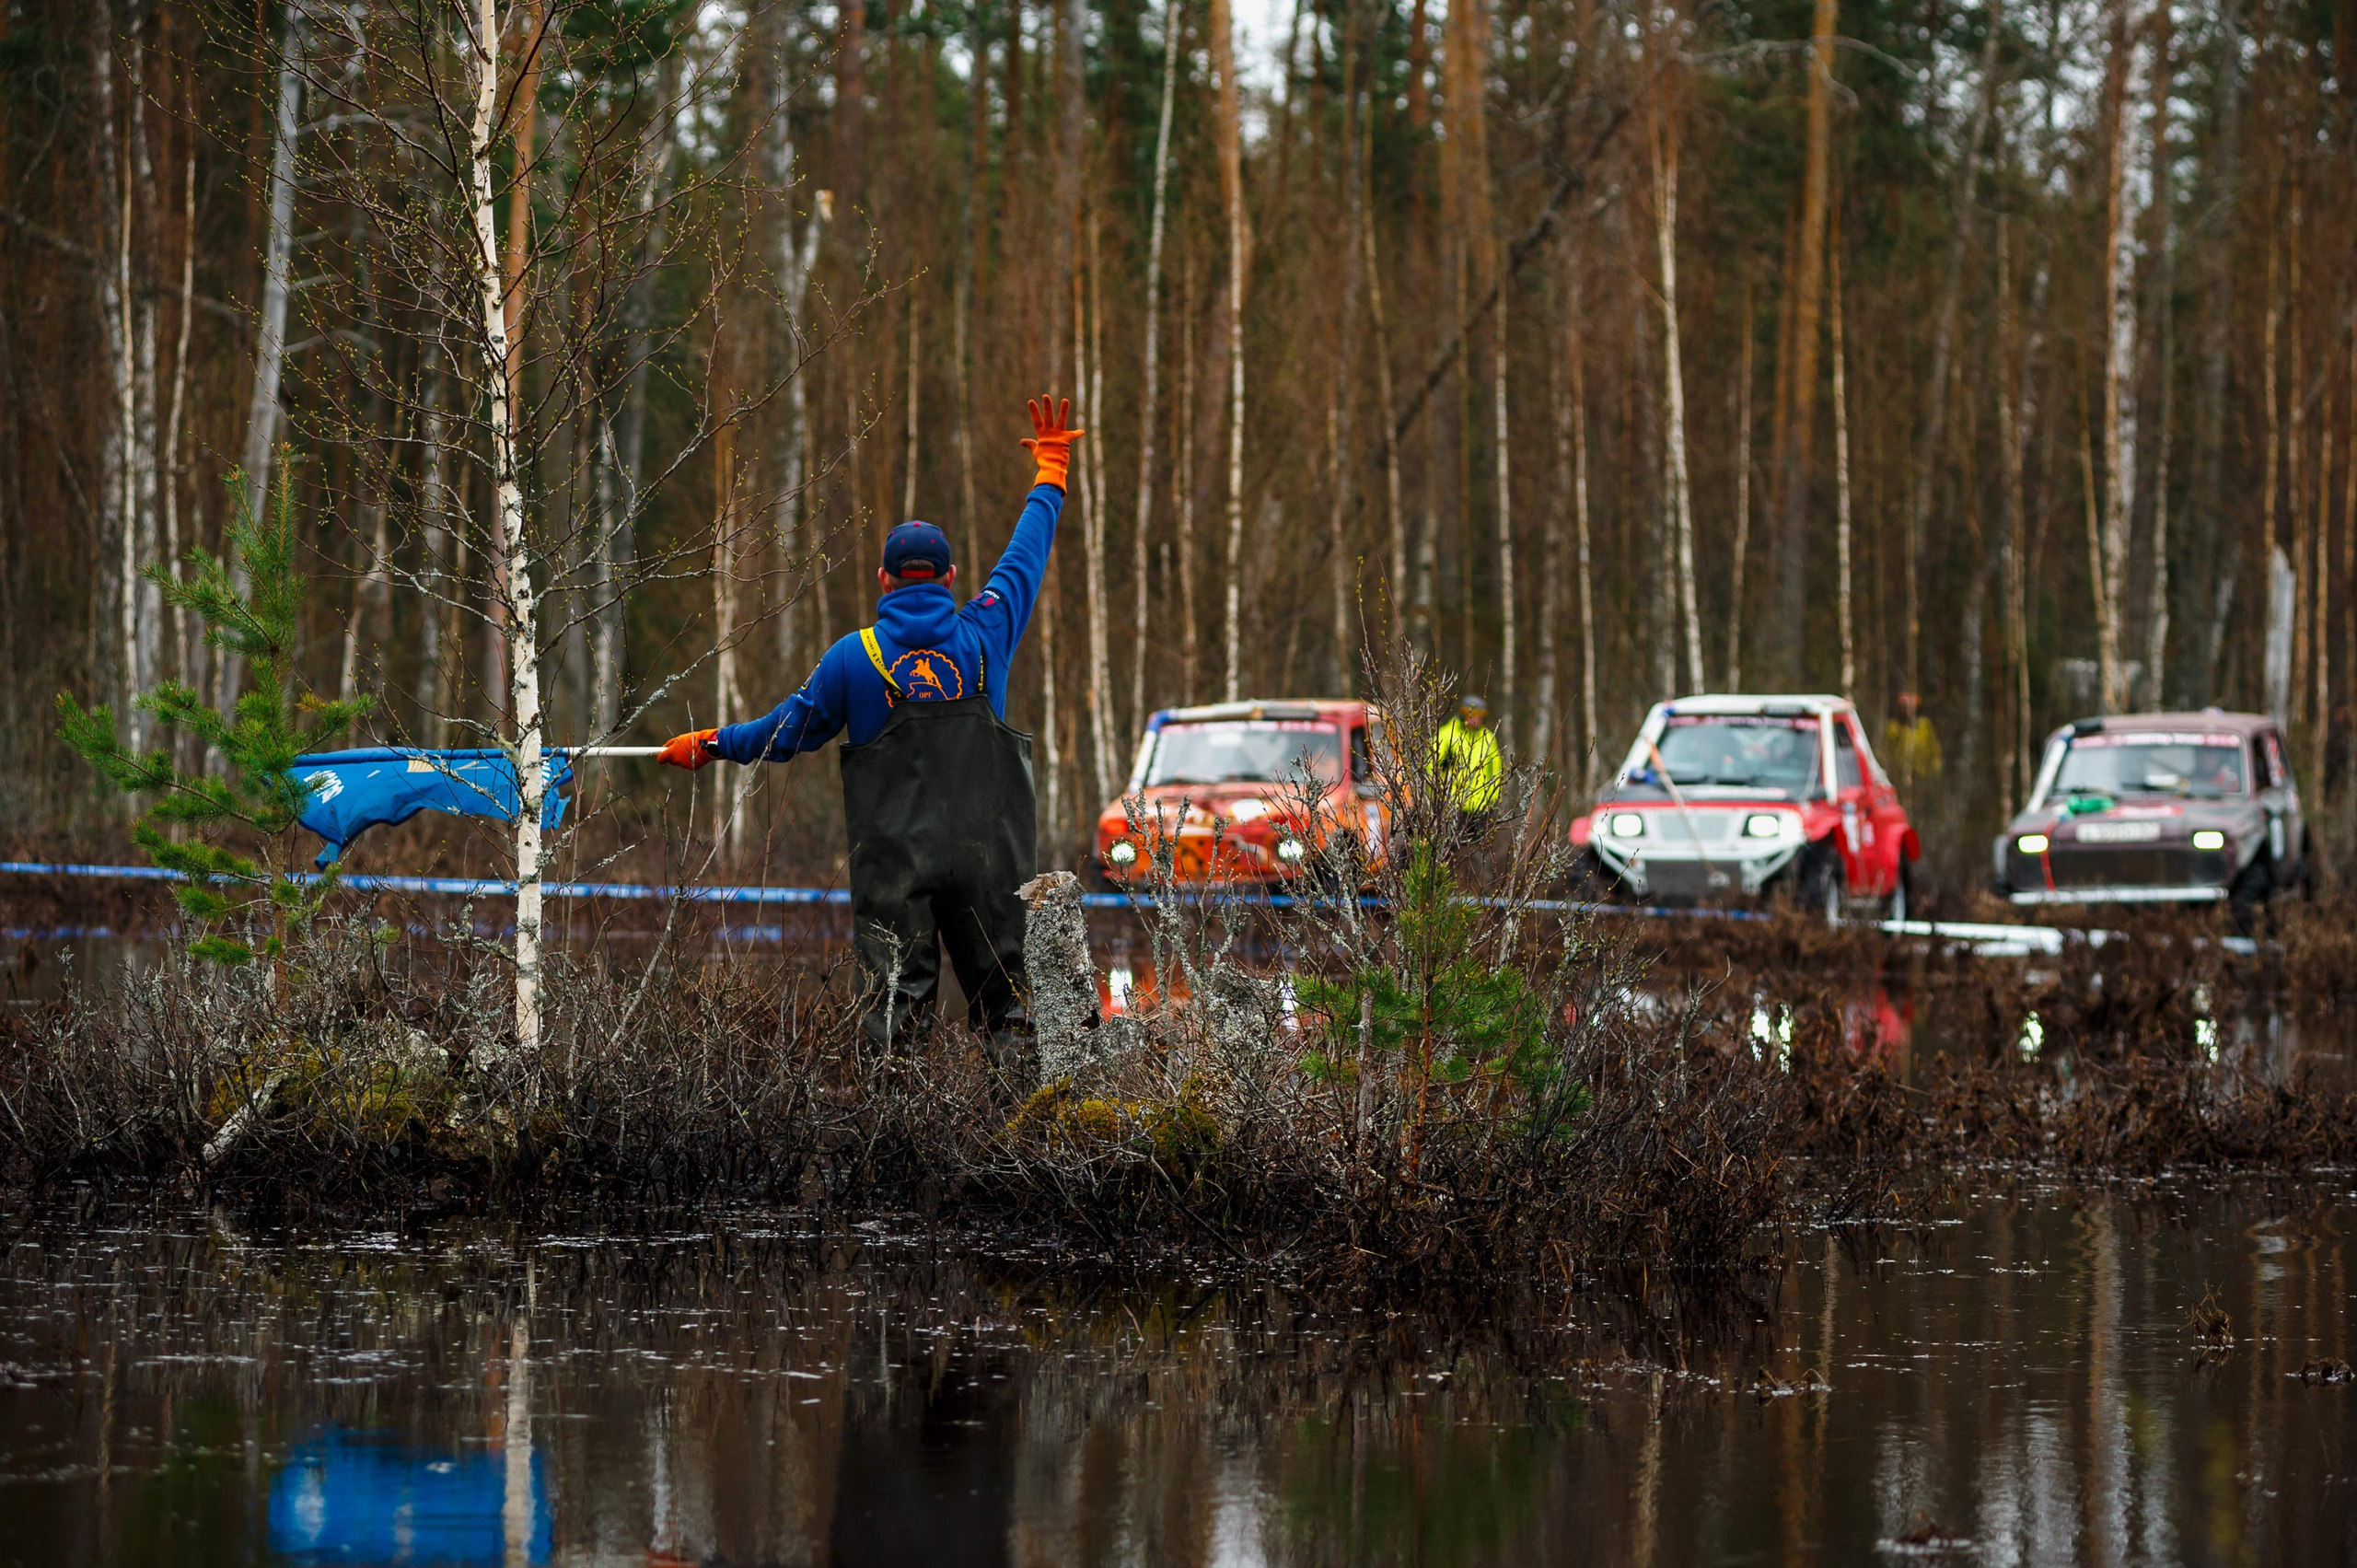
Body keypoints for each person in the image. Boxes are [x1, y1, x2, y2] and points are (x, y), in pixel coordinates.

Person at [657, 396, 1083, 1049]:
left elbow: (782, 733)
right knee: (1009, 1013)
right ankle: (1020, 1148)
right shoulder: (987, 629)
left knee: (896, 1022)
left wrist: (711, 743)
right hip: (989, 862)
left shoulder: (853, 658)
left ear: (883, 579)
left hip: (894, 871)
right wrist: (1050, 470)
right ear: (951, 577)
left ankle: (898, 1146)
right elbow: (1025, 556)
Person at [1430, 694, 1504, 835]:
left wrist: (1493, 799)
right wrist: (1442, 797)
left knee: (1479, 852)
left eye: (1479, 715)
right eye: (1471, 714)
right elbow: (1432, 768)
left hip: (1482, 808)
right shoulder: (1446, 735)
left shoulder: (1488, 737)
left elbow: (1496, 770)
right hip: (1453, 807)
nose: (1475, 719)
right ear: (1463, 714)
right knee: (1451, 850)